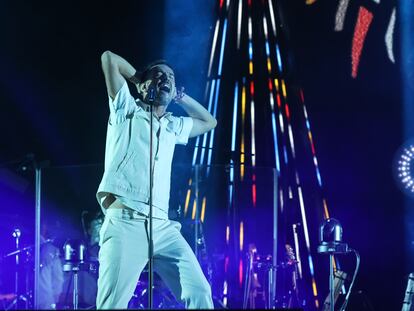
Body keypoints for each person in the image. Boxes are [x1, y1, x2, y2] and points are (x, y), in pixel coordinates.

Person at [95, 50, 217, 309]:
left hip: (162, 226)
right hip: (126, 222)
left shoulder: (173, 125)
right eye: (158, 75)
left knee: (199, 291)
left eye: (170, 77)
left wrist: (180, 97)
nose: (165, 79)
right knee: (112, 305)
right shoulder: (125, 108)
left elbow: (209, 122)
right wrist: (139, 78)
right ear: (142, 85)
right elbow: (109, 59)